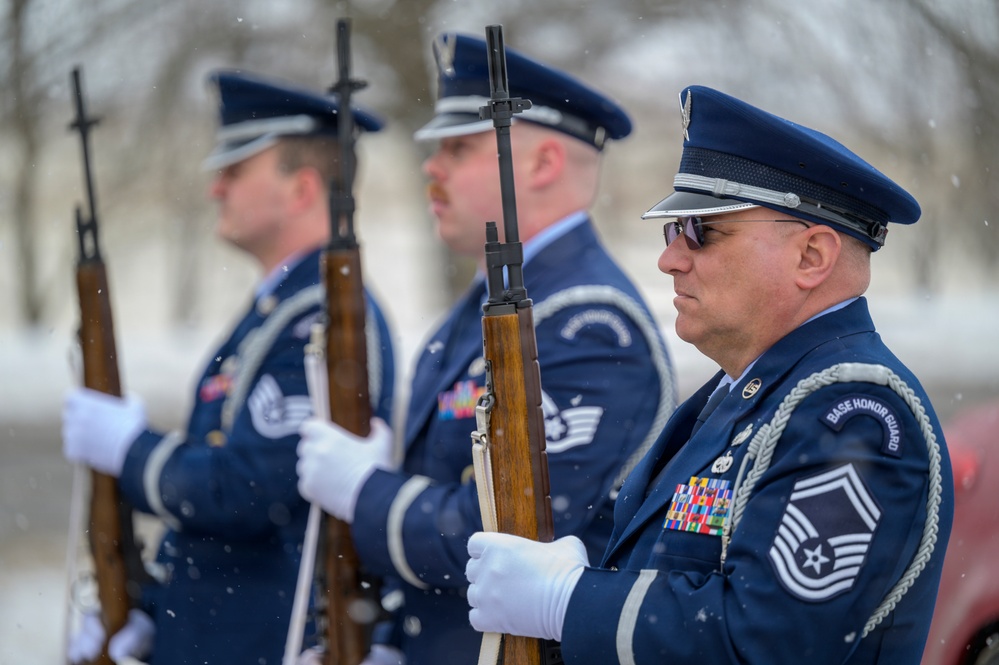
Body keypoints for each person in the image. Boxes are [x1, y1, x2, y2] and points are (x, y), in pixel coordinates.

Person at [463, 85, 955, 664]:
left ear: (812, 257)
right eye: (672, 232)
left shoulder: (855, 411)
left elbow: (765, 640)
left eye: (701, 230)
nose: (670, 258)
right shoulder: (748, 393)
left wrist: (568, 601)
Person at [295, 33, 677, 664]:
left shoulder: (590, 327)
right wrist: (388, 641)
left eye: (458, 147)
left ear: (544, 164)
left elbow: (509, 532)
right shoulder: (481, 308)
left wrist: (363, 491)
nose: (430, 167)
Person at [61, 70, 396, 665]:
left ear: (301, 190)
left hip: (267, 642)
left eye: (237, 170)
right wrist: (152, 606)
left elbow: (248, 493)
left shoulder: (318, 322)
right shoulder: (276, 309)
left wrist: (131, 451)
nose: (216, 188)